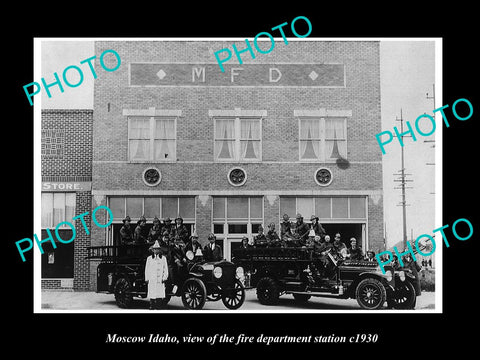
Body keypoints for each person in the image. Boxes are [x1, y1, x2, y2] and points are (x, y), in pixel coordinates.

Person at [144, 240, 169, 310]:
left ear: (159, 250)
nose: (156, 251)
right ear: (152, 250)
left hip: (160, 279)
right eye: (155, 249)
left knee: (159, 294)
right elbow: (147, 269)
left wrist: (164, 277)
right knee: (152, 293)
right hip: (152, 279)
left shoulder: (163, 258)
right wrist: (147, 278)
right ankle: (152, 305)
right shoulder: (149, 259)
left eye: (157, 249)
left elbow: (165, 269)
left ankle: (159, 306)